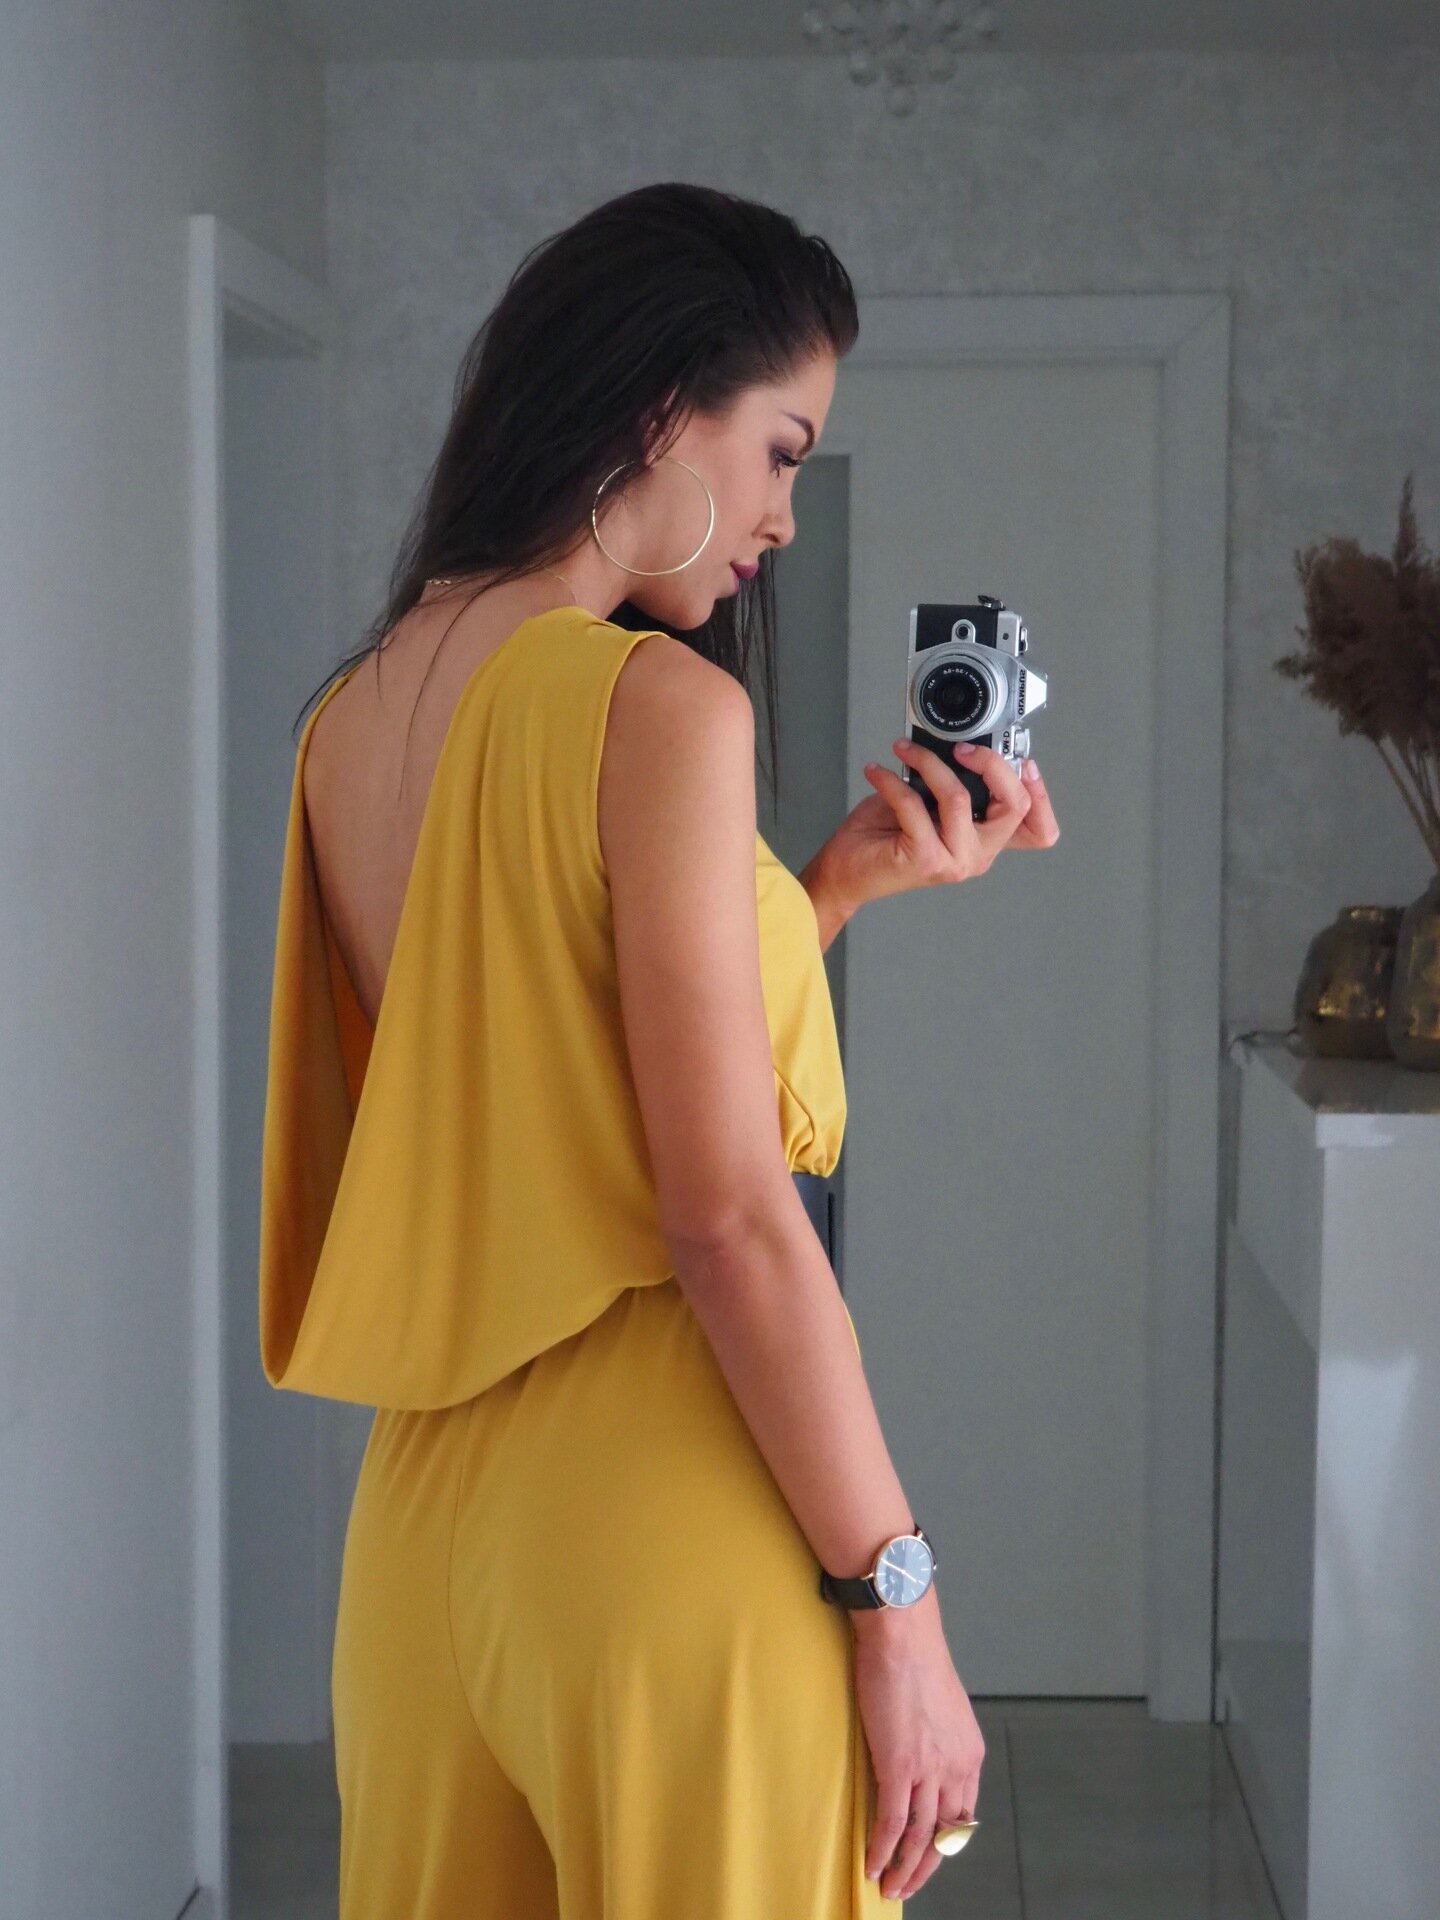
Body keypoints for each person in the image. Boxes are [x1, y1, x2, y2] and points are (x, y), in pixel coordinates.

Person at [257, 180, 1060, 1919]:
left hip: (426, 1539)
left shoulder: (351, 716)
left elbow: (535, 1066)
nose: (783, 514)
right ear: (657, 409)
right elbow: (725, 1217)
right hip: (660, 1508)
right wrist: (899, 1600)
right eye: (780, 450)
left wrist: (824, 892)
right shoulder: (658, 706)